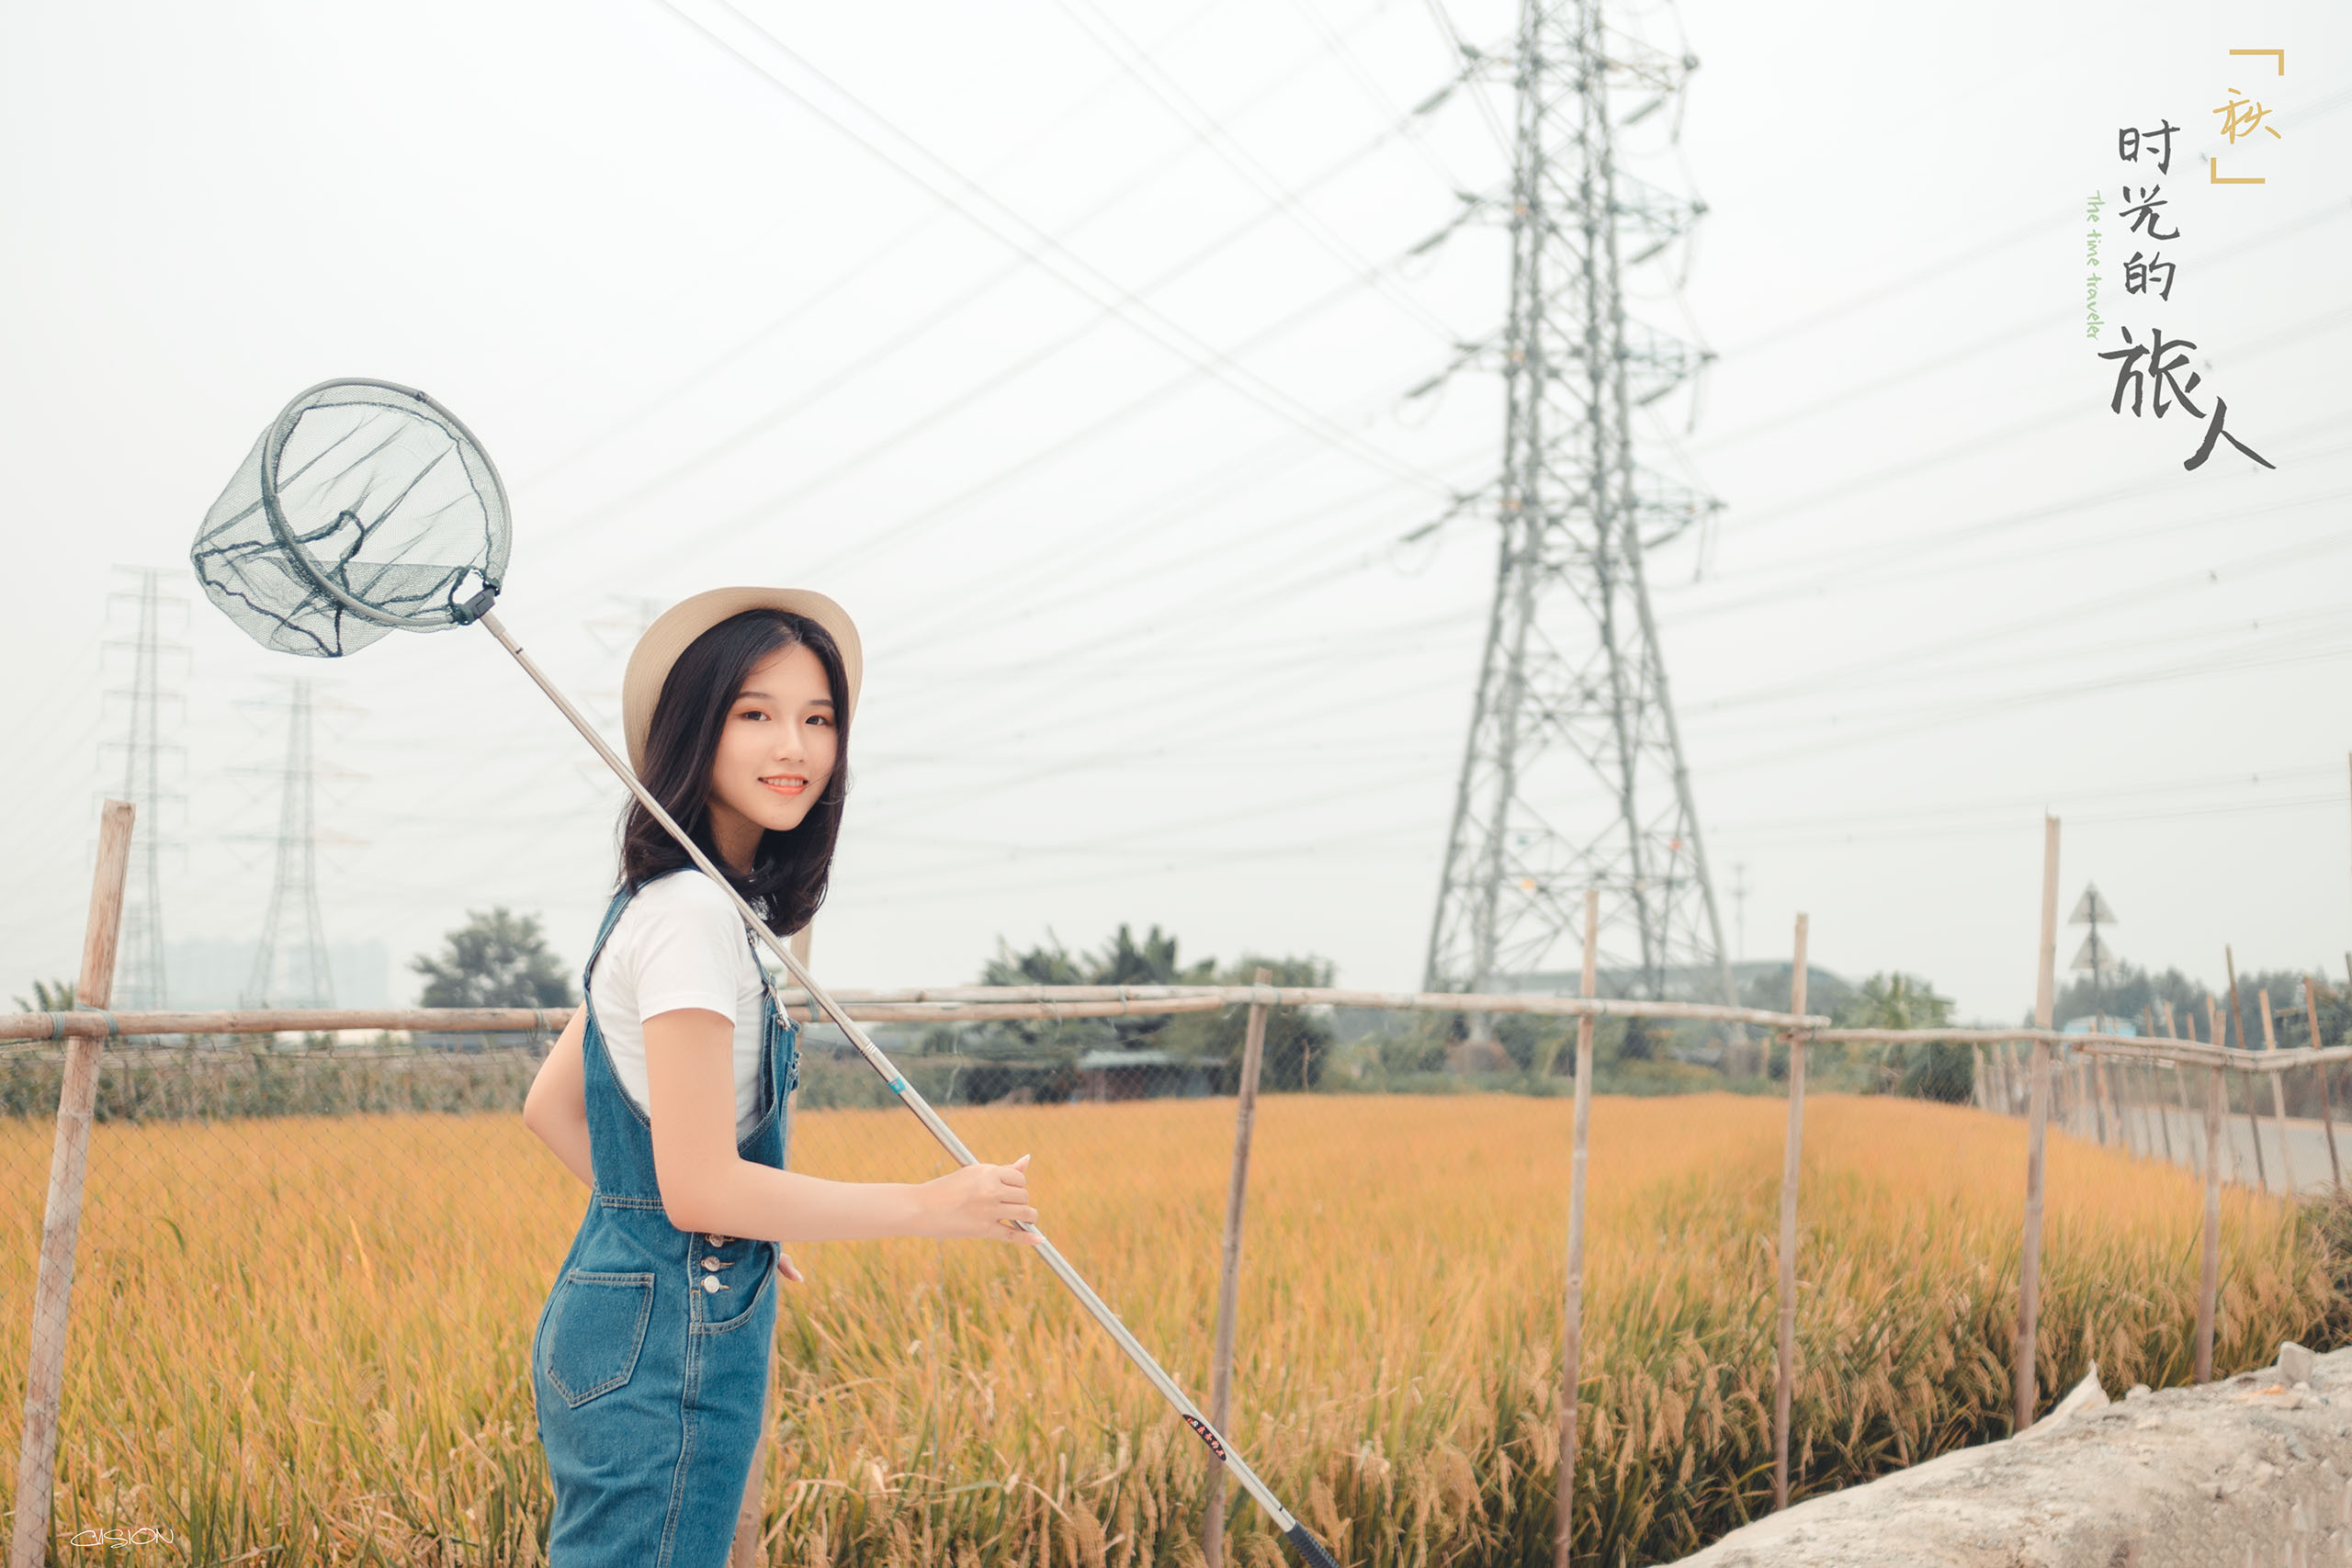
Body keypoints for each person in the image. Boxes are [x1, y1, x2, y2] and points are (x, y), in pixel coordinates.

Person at [520, 586, 1040, 1567]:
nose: (792, 747)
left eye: (818, 719)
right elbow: (700, 1183)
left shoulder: (671, 901)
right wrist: (931, 1206)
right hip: (663, 1350)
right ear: (694, 728)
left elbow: (549, 1108)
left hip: (617, 1321)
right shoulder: (693, 921)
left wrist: (714, 1220)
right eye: (755, 714)